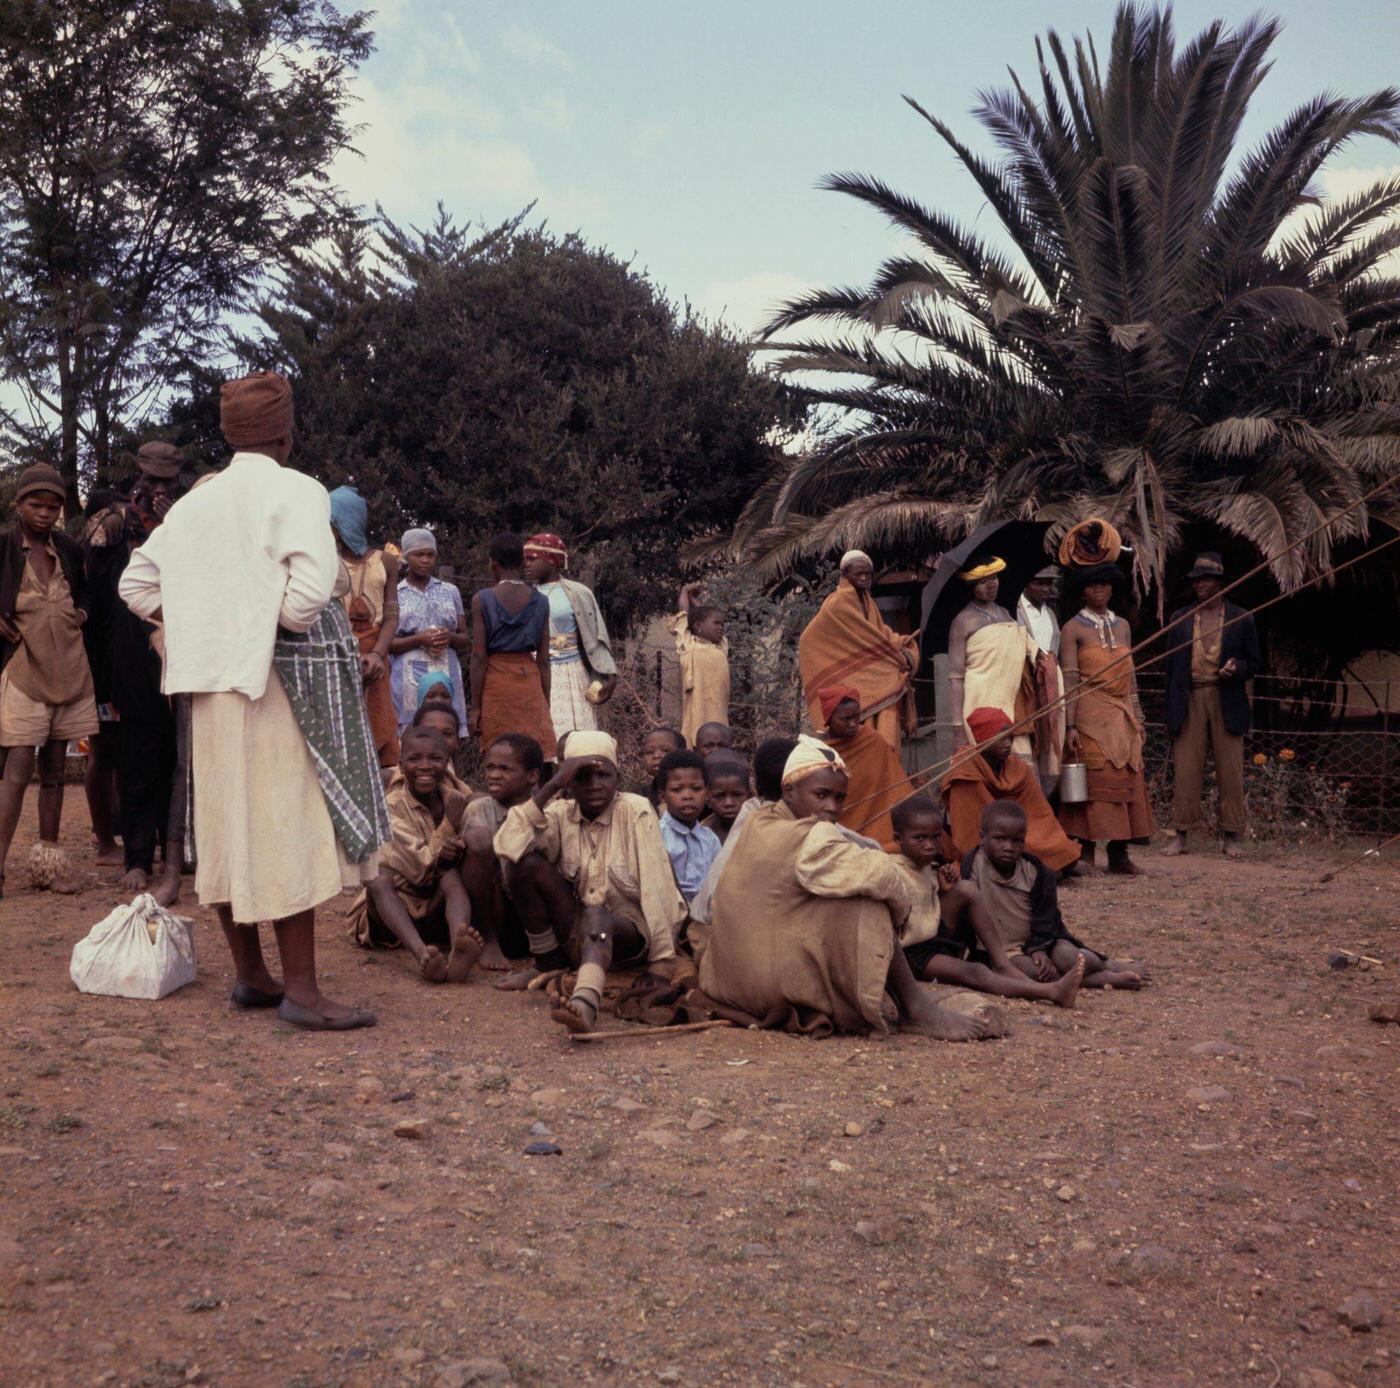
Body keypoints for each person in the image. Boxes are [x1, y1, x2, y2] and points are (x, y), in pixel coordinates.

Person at [119, 370, 380, 1029]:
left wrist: (205, 624)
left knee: (224, 825)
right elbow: (305, 600)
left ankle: (251, 977)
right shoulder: (296, 489)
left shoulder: (195, 503)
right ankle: (303, 994)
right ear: (285, 435)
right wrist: (259, 620)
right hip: (273, 682)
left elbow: (136, 586)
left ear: (231, 434)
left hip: (208, 689)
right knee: (283, 825)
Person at [696, 735, 989, 1040]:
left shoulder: (759, 819)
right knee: (867, 899)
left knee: (848, 888)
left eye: (838, 798)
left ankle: (907, 999)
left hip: (729, 980)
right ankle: (914, 1006)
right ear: (789, 790)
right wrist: (901, 912)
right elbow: (883, 875)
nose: (832, 807)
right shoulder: (810, 835)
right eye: (821, 795)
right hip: (762, 987)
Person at [495, 730, 687, 1030]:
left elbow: (657, 885)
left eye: (603, 775)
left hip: (628, 934)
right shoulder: (560, 813)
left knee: (597, 914)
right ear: (569, 782)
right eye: (582, 777)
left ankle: (584, 1004)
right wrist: (552, 786)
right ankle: (547, 962)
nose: (595, 785)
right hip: (579, 928)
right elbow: (507, 846)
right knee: (523, 864)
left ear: (617, 777)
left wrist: (662, 962)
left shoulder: (635, 810)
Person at [84, 455, 186, 895]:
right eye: (151, 481)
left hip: (180, 651)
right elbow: (100, 595)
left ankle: (175, 853)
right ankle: (138, 858)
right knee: (137, 757)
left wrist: (173, 525)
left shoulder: (188, 519)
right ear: (138, 479)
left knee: (177, 756)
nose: (158, 490)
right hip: (127, 654)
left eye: (167, 483)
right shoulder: (112, 525)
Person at [0, 464, 98, 895]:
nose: (44, 514)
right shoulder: (4, 546)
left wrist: (81, 613)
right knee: (18, 768)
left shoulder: (69, 549)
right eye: (36, 505)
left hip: (70, 669)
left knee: (55, 771)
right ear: (18, 504)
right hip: (24, 670)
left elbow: (89, 592)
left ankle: (47, 868)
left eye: (53, 507)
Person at [891, 796, 1084, 1007]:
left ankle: (1002, 963)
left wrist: (944, 890)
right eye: (919, 838)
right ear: (898, 839)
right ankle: (1050, 991)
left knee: (966, 888)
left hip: (935, 942)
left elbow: (930, 909)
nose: (929, 845)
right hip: (911, 954)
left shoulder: (931, 867)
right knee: (975, 971)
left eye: (936, 837)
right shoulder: (892, 871)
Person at [347, 726, 482, 981]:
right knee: (378, 879)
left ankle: (458, 949)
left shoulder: (455, 795)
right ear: (400, 765)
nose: (425, 766)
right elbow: (420, 870)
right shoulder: (390, 806)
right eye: (414, 759)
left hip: (433, 909)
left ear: (447, 763)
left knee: (451, 878)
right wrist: (449, 826)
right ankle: (423, 956)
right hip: (392, 913)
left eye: (435, 758)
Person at [965, 800, 1146, 989]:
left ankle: (1105, 964)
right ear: (982, 838)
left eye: (1017, 841)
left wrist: (1039, 947)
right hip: (1005, 950)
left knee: (1070, 957)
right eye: (1000, 839)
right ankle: (1104, 979)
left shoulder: (1035, 871)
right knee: (1036, 973)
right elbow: (967, 910)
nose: (1009, 847)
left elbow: (1047, 918)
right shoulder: (973, 866)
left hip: (1042, 939)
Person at [1162, 553, 1261, 860]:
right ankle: (1181, 834)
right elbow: (1170, 669)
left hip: (1225, 697)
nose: (1200, 585)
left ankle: (1231, 835)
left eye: (1207, 579)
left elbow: (1254, 663)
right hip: (1189, 697)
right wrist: (1170, 709)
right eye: (1196, 580)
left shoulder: (1241, 618)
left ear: (1220, 583)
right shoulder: (1179, 619)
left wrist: (1237, 667)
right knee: (1186, 769)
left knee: (1230, 770)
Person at [1057, 564, 1153, 874]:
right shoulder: (1072, 628)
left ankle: (1119, 852)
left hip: (1122, 715)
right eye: (1092, 585)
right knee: (1093, 780)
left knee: (1127, 776)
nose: (1100, 590)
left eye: (1105, 584)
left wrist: (1137, 716)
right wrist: (1070, 725)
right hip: (1089, 714)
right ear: (1082, 591)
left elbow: (1131, 675)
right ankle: (1085, 851)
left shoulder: (1123, 625)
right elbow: (1071, 680)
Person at [799, 550, 918, 751]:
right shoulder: (838, 603)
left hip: (870, 675)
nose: (863, 578)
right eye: (858, 574)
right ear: (845, 575)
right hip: (853, 680)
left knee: (891, 679)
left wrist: (899, 647)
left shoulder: (867, 601)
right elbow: (808, 638)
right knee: (889, 679)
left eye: (867, 574)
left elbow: (876, 635)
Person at [687, 736, 796, 951]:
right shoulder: (757, 821)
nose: (729, 803)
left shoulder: (754, 814)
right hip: (736, 942)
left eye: (736, 794)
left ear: (752, 788)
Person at [941, 707, 1080, 872]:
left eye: (1010, 737)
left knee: (1062, 850)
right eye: (1001, 739)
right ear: (984, 739)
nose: (1008, 744)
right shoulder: (965, 770)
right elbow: (971, 827)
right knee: (1019, 852)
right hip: (993, 839)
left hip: (1020, 834)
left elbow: (1040, 815)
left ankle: (1041, 868)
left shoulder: (1018, 768)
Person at [523, 532, 619, 743]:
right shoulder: (526, 595)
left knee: (577, 734)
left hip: (573, 672)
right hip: (538, 672)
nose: (526, 564)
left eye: (532, 558)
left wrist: (609, 674)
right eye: (525, 559)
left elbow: (596, 635)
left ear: (551, 560)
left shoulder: (579, 593)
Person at [459, 732, 542, 973]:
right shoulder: (480, 809)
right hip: (495, 910)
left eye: (505, 769)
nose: (494, 775)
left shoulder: (549, 811)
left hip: (532, 911)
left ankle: (548, 947)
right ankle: (487, 940)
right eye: (490, 767)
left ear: (532, 776)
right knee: (479, 840)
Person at [329, 486, 400, 769]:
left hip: (375, 659)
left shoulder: (386, 561)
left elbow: (391, 616)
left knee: (379, 724)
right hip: (337, 655)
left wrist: (378, 654)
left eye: (332, 522)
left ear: (344, 522)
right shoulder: (325, 562)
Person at [947, 556, 1042, 762]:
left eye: (995, 578)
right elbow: (956, 678)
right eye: (983, 581)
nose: (992, 585)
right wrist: (958, 728)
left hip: (1011, 701)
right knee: (985, 765)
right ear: (971, 586)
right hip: (979, 703)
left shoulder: (1006, 613)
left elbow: (1029, 650)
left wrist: (1044, 660)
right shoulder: (962, 621)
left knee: (1022, 766)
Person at [469, 533, 556, 757]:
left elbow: (479, 657)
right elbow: (544, 660)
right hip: (529, 682)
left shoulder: (482, 599)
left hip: (496, 683)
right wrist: (545, 701)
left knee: (499, 752)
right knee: (532, 753)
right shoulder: (541, 601)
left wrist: (475, 707)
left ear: (493, 564)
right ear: (521, 562)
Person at [389, 527, 468, 735]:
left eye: (430, 555)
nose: (425, 560)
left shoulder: (450, 591)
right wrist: (419, 639)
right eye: (419, 555)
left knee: (446, 728)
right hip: (408, 675)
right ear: (406, 557)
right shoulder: (395, 593)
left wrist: (449, 637)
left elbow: (464, 638)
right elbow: (388, 644)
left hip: (446, 670)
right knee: (412, 732)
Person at [818, 683, 911, 849]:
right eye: (846, 719)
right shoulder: (816, 752)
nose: (853, 724)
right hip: (835, 831)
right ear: (829, 719)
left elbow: (896, 785)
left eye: (857, 717)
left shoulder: (871, 739)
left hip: (881, 826)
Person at [1017, 564, 1064, 794]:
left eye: (1049, 583)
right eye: (1039, 583)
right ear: (1027, 584)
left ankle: (1048, 793)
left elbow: (1054, 646)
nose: (1046, 589)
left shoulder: (1050, 614)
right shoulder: (1016, 611)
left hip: (1051, 682)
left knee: (1052, 736)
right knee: (1031, 736)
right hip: (1026, 681)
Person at [656, 749, 722, 904]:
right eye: (677, 789)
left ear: (707, 794)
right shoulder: (656, 836)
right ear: (663, 796)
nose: (688, 796)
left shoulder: (710, 840)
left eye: (696, 788)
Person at [669, 582, 730, 748]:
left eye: (722, 624)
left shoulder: (721, 647)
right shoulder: (688, 646)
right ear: (697, 626)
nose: (721, 628)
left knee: (719, 745)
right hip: (696, 717)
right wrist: (685, 591)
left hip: (719, 717)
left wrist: (696, 604)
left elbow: (702, 615)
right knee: (695, 743)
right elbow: (684, 616)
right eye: (716, 623)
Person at [408, 700, 472, 795]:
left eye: (446, 734)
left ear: (457, 741)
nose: (439, 740)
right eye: (430, 731)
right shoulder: (393, 784)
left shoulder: (463, 792)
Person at [700, 753, 749, 844]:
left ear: (748, 795)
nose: (729, 803)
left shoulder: (760, 829)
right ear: (707, 798)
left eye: (737, 795)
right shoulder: (700, 836)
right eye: (719, 796)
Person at [634, 727, 685, 809]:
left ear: (683, 754)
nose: (656, 756)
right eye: (649, 752)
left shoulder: (692, 792)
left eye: (665, 750)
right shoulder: (640, 796)